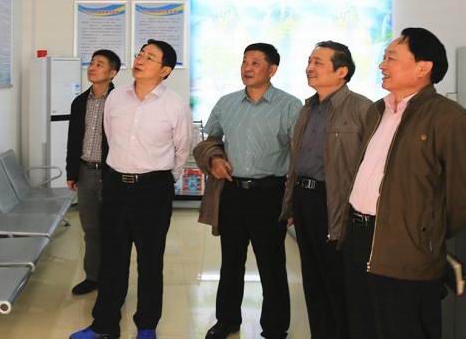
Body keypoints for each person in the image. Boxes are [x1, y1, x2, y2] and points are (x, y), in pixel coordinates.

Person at [343, 27, 466, 339]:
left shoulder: (450, 119)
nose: (382, 65)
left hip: (407, 252)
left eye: (391, 58)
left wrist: (424, 230)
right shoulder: (377, 111)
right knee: (363, 326)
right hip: (359, 240)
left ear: (423, 67)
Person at [70, 39, 192, 339]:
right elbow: (111, 137)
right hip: (115, 186)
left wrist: (163, 179)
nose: (140, 60)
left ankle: (146, 325)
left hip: (153, 188)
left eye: (150, 57)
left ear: (165, 70)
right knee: (112, 258)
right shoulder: (116, 98)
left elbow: (182, 148)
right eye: (140, 54)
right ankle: (104, 324)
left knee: (150, 260)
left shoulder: (174, 104)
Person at [194, 43, 302, 339]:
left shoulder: (290, 106)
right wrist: (215, 159)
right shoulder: (227, 103)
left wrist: (293, 201)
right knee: (230, 261)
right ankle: (227, 320)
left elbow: (300, 154)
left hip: (270, 193)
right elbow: (210, 140)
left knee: (272, 263)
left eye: (255, 62)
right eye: (244, 61)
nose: (247, 68)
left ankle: (275, 327)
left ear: (272, 69)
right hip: (232, 192)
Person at [279, 41, 371, 339]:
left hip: (335, 203)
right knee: (313, 280)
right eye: (309, 61)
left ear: (341, 71)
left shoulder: (362, 108)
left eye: (318, 62)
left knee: (338, 283)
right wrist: (291, 203)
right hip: (305, 200)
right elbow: (298, 160)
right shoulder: (308, 108)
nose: (310, 67)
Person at [65, 49, 120, 295]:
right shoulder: (79, 102)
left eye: (99, 64)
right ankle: (93, 277)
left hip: (112, 173)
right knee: (90, 229)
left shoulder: (121, 101)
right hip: (86, 171)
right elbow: (73, 140)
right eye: (91, 63)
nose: (92, 67)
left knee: (113, 229)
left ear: (112, 72)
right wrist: (71, 173)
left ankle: (113, 279)